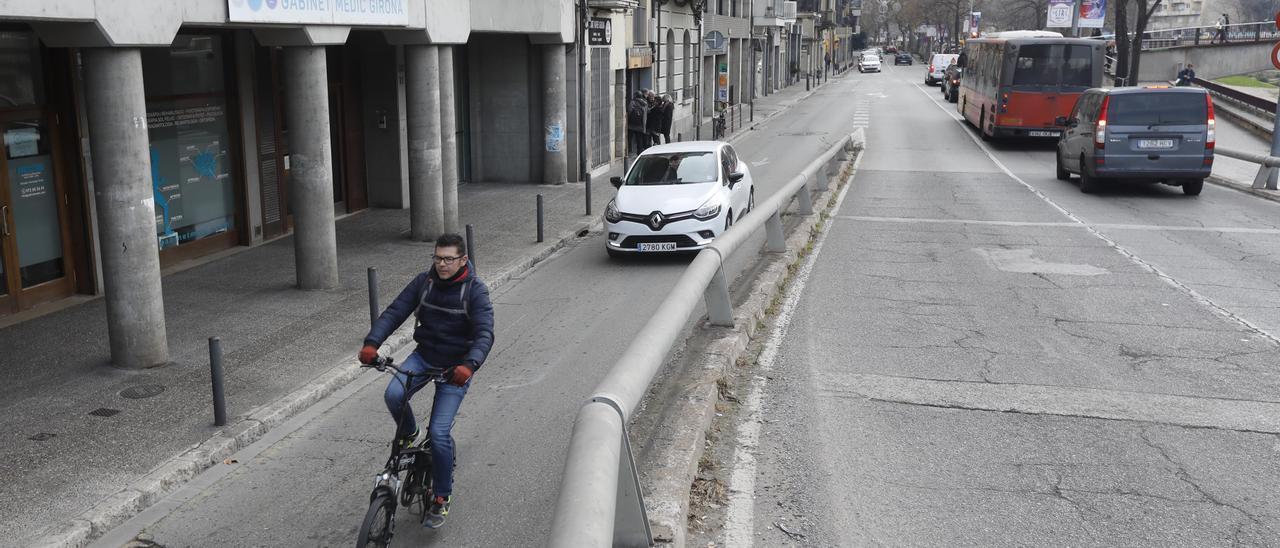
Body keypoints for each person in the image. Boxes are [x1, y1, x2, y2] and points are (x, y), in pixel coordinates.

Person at [359, 232, 495, 529]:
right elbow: (395, 312)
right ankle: (409, 432)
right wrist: (372, 343)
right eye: (437, 258)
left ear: (463, 260)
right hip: (424, 357)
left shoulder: (475, 291)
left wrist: (469, 365)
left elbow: (485, 333)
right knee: (394, 394)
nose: (442, 264)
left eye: (448, 259)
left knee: (440, 433)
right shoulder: (424, 282)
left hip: (456, 368)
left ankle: (442, 496)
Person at [626, 90, 650, 157]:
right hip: (641, 124)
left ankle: (629, 151)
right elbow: (647, 112)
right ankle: (639, 152)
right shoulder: (645, 103)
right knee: (639, 139)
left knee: (629, 138)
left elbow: (629, 111)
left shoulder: (633, 102)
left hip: (632, 124)